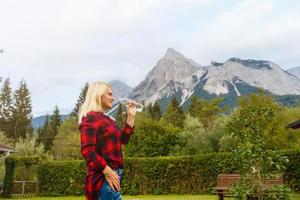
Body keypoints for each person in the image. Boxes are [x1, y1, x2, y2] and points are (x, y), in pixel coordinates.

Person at [78, 82, 136, 200]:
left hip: (113, 175)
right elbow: (87, 151)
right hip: (103, 177)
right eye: (109, 94)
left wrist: (131, 117)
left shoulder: (107, 119)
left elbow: (123, 139)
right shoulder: (91, 117)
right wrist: (107, 170)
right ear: (99, 95)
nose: (113, 98)